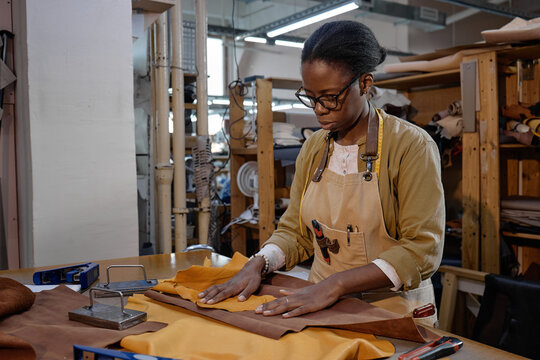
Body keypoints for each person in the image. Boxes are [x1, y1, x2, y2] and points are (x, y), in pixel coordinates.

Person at [199, 20, 444, 322]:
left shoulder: (411, 146)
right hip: (324, 307)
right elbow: (296, 232)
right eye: (311, 97)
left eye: (330, 97)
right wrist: (259, 262)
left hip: (394, 311)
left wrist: (336, 284)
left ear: (365, 84)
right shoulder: (315, 148)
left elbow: (421, 249)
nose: (319, 109)